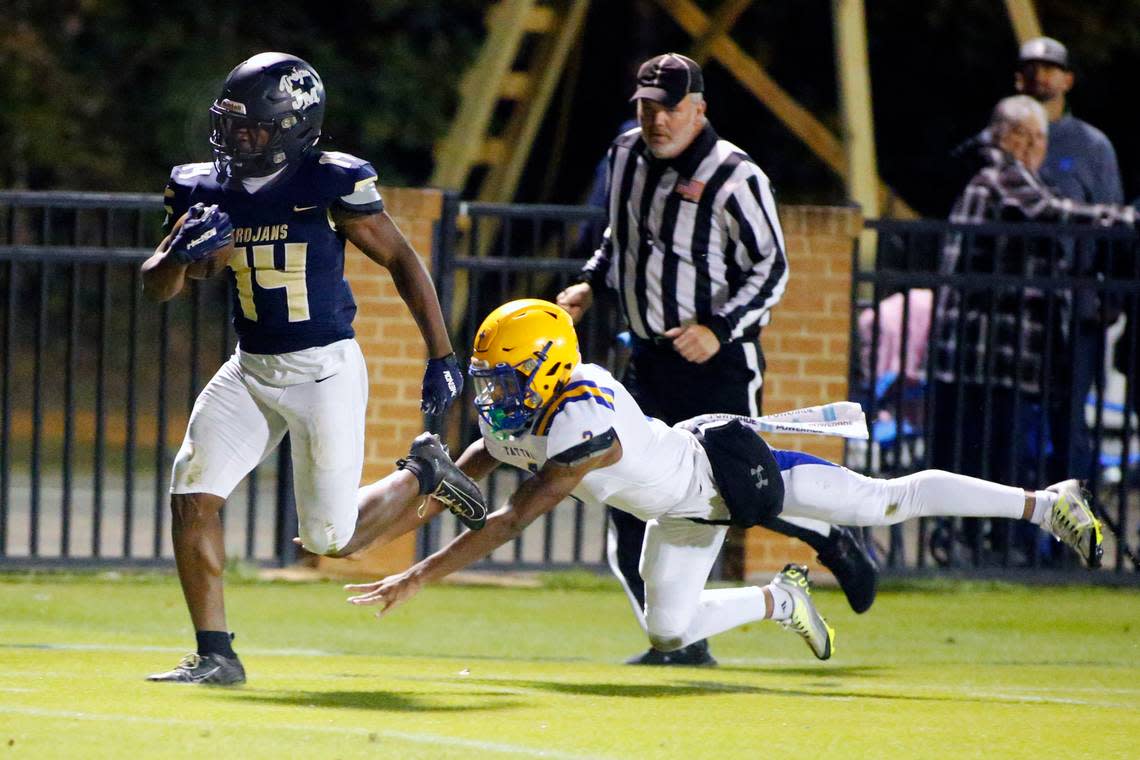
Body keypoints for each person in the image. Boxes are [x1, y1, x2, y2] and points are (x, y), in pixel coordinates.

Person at [344, 299, 1103, 658]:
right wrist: (424, 483)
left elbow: (511, 521)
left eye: (506, 379)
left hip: (724, 473)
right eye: (490, 381)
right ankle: (782, 597)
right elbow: (479, 459)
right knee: (669, 630)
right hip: (679, 513)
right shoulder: (526, 412)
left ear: (545, 369)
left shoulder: (581, 416)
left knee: (884, 501)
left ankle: (1045, 503)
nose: (495, 395)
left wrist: (420, 572)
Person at [140, 52, 487, 685]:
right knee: (190, 495)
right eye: (233, 122)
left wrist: (442, 353)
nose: (237, 137)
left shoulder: (328, 182)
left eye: (255, 127)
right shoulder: (197, 185)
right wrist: (175, 256)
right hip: (249, 369)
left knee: (329, 540)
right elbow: (157, 288)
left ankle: (421, 474)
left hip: (322, 370)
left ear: (294, 127)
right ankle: (216, 654)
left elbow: (405, 261)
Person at [556, 53, 876, 666]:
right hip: (646, 364)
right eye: (647, 106)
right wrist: (592, 284)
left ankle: (830, 537)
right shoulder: (624, 155)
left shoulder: (735, 175)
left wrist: (719, 328)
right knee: (626, 504)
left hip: (717, 364)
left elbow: (772, 267)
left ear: (698, 108)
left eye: (669, 107)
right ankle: (679, 640)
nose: (656, 119)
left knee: (737, 494)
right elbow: (618, 240)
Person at [932, 94, 1136, 561]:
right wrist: (1127, 218)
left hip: (986, 354)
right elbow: (1057, 214)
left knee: (985, 455)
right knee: (992, 458)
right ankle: (984, 545)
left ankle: (981, 541)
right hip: (988, 352)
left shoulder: (990, 174)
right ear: (1020, 138)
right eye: (1039, 137)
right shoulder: (1003, 175)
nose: (1041, 147)